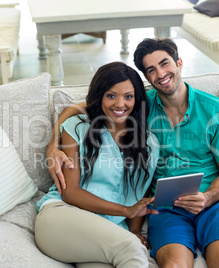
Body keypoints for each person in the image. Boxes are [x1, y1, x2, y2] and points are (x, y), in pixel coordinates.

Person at [46, 38, 219, 267]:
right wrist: (52, 145)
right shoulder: (140, 105)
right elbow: (85, 106)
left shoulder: (216, 110)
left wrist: (208, 198)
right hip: (166, 206)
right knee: (173, 265)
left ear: (179, 63)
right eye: (151, 70)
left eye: (165, 64)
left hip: (214, 201)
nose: (161, 74)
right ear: (147, 77)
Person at [35, 61, 160, 268]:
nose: (120, 104)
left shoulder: (149, 144)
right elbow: (70, 192)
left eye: (128, 97)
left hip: (106, 231)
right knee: (133, 250)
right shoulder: (76, 127)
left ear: (137, 100)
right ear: (99, 95)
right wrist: (125, 211)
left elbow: (139, 194)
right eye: (111, 95)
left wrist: (135, 230)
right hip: (61, 217)